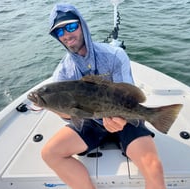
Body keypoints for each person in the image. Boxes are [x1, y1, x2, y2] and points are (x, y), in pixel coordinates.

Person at [41, 3, 166, 189]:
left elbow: (129, 97)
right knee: (50, 153)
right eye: (59, 32)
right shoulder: (62, 73)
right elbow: (70, 115)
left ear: (82, 25)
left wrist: (122, 119)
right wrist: (55, 108)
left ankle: (153, 117)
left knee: (154, 167)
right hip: (91, 122)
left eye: (71, 26)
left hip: (126, 116)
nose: (66, 34)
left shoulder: (115, 55)